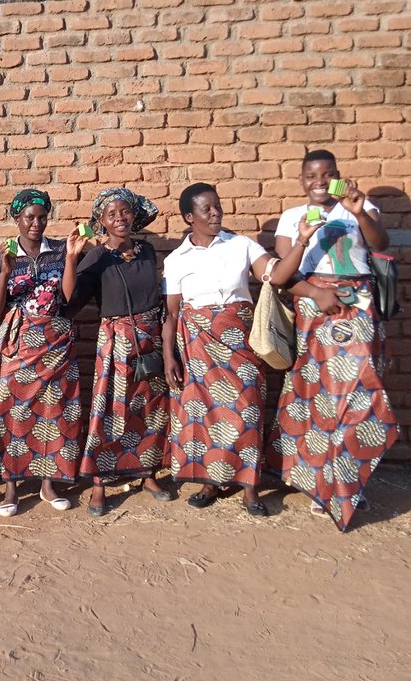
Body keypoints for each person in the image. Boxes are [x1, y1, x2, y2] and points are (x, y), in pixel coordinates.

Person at [162, 183, 316, 517]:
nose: (216, 213)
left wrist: (301, 241)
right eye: (207, 209)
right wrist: (168, 355)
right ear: (190, 217)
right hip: (198, 348)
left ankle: (250, 487)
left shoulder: (241, 246)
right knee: (205, 414)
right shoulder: (176, 260)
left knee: (247, 410)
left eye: (218, 206)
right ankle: (209, 483)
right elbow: (172, 313)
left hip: (240, 343)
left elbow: (277, 277)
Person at [266, 150, 398, 529]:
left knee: (360, 390)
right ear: (301, 179)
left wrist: (357, 211)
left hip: (359, 306)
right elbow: (284, 272)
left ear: (338, 176)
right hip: (314, 306)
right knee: (320, 393)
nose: (318, 182)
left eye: (326, 175)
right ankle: (322, 482)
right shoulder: (293, 217)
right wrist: (316, 290)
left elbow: (381, 244)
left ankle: (351, 482)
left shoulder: (359, 207)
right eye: (310, 176)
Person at [64, 187, 169, 515]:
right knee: (110, 410)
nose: (120, 218)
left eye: (125, 212)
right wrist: (71, 257)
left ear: (134, 214)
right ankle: (98, 482)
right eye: (111, 215)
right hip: (117, 342)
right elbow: (69, 299)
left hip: (151, 338)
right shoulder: (97, 256)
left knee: (152, 407)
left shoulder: (148, 251)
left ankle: (147, 473)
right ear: (102, 222)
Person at [0, 188, 81, 518]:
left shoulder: (59, 251)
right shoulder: (3, 256)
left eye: (41, 216)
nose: (35, 223)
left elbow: (67, 298)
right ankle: (11, 484)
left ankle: (47, 482)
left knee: (55, 410)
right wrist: (7, 272)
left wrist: (70, 258)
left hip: (55, 342)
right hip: (18, 344)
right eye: (28, 217)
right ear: (16, 219)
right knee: (13, 412)